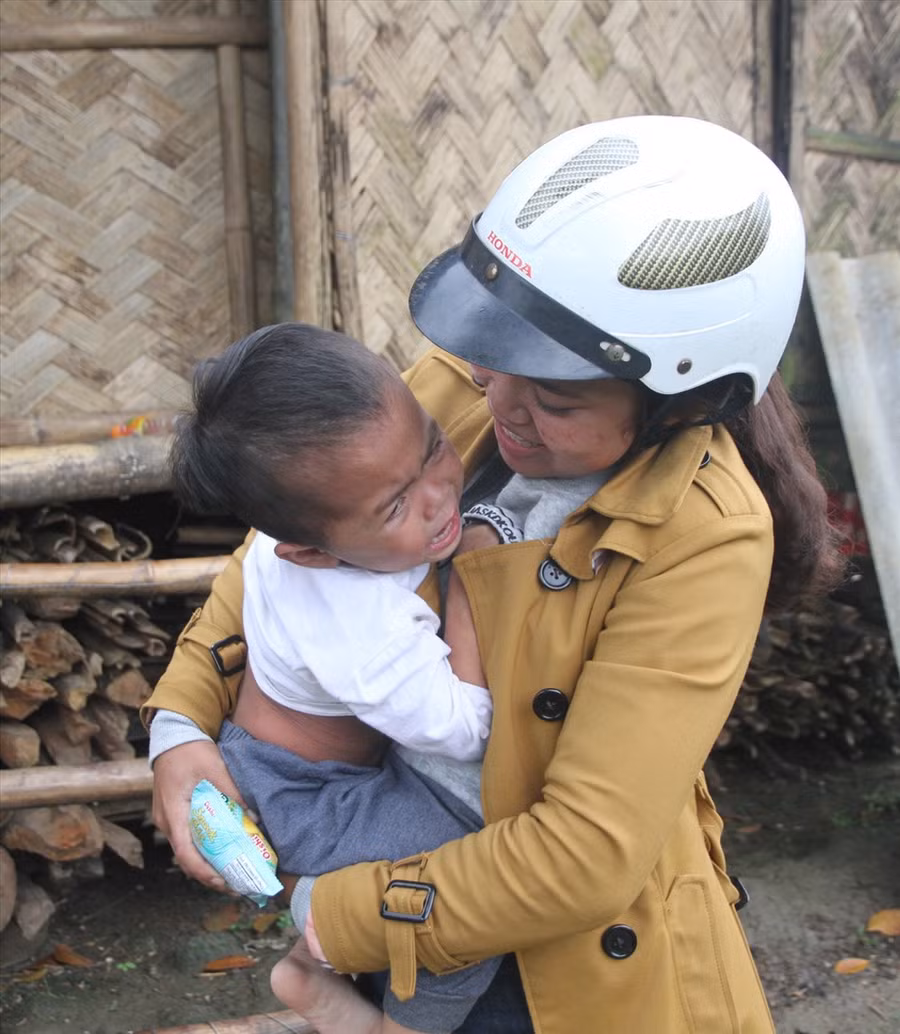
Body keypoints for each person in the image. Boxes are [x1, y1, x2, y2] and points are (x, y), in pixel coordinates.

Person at [143, 115, 843, 1033]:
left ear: (685, 397)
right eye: (492, 360)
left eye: (554, 398)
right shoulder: (473, 382)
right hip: (398, 882)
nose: (496, 403)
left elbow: (584, 851)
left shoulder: (704, 532)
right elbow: (283, 547)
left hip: (561, 967)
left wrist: (336, 913)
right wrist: (178, 724)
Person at [162, 323, 510, 1034]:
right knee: (466, 891)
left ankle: (310, 972)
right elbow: (465, 728)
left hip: (291, 771)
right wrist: (475, 581)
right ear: (309, 553)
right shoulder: (361, 622)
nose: (440, 496)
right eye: (394, 506)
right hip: (311, 802)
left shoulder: (316, 524)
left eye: (435, 447)